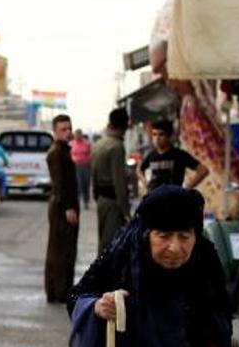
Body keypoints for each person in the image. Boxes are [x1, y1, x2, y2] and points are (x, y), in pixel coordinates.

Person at [67, 186, 232, 347]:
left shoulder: (204, 257)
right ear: (147, 234)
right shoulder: (122, 253)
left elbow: (220, 312)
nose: (175, 247)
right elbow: (77, 295)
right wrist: (98, 307)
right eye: (164, 236)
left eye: (185, 237)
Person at [45, 115, 80, 304]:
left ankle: (61, 289)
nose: (67, 133)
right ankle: (59, 291)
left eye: (69, 128)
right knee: (60, 251)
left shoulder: (64, 151)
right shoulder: (56, 152)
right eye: (63, 130)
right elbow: (59, 183)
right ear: (55, 131)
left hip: (64, 205)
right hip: (61, 207)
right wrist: (68, 207)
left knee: (65, 249)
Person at [91, 108, 131, 253]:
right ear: (124, 126)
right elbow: (119, 182)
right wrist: (126, 211)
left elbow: (93, 174)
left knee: (103, 241)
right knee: (111, 245)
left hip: (102, 199)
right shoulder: (116, 147)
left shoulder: (98, 144)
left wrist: (97, 196)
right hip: (113, 202)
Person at [138, 118, 208, 195]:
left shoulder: (179, 155)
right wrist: (146, 184)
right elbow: (139, 169)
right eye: (154, 134)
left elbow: (203, 170)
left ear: (169, 136)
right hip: (154, 196)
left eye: (161, 134)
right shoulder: (152, 155)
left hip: (172, 197)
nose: (157, 138)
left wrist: (187, 188)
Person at [71, 128, 93, 209]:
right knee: (78, 184)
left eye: (79, 134)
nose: (77, 136)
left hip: (85, 165)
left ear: (81, 135)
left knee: (86, 184)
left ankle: (86, 201)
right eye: (76, 135)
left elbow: (91, 154)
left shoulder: (87, 143)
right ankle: (76, 201)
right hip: (76, 166)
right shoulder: (72, 144)